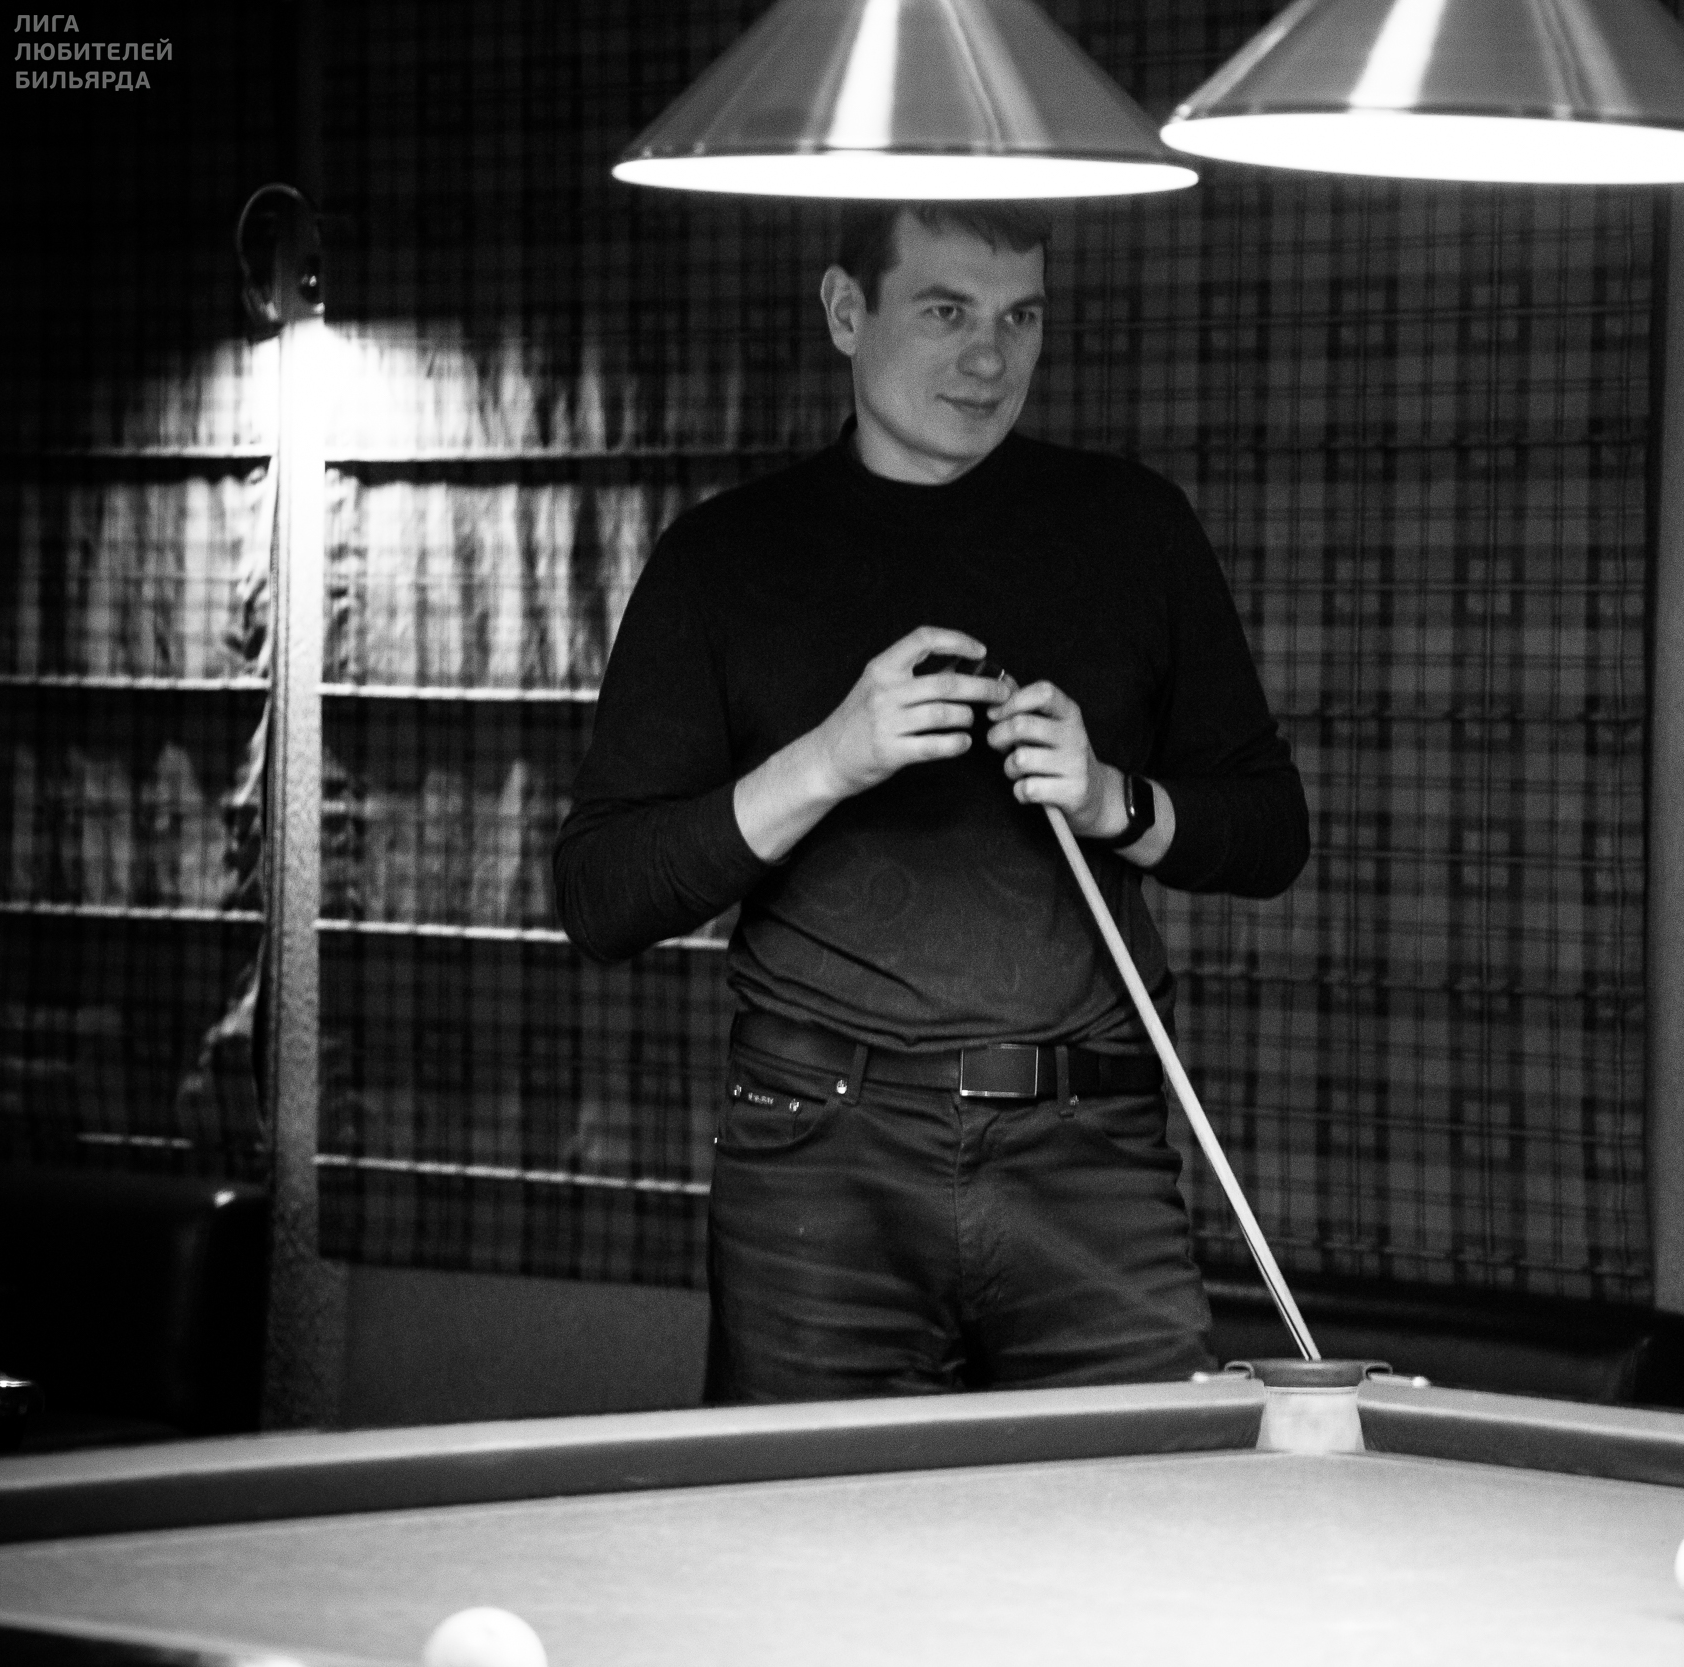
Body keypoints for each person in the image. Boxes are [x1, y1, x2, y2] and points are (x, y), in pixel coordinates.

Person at [554, 201, 1308, 1405]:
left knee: (1148, 1503)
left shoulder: (1131, 526)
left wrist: (1114, 799)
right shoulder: (724, 556)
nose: (989, 358)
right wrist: (829, 759)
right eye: (946, 311)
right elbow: (600, 895)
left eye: (1020, 318)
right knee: (819, 1517)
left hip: (1087, 1146)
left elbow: (1271, 832)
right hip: (818, 1152)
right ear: (846, 311)